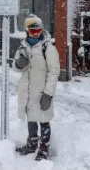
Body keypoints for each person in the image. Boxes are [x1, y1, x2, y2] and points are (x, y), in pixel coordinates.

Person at [14, 14, 60, 161]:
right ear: (27, 31)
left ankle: (44, 148)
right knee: (31, 118)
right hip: (27, 91)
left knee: (44, 120)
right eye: (33, 31)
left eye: (38, 30)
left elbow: (54, 71)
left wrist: (48, 94)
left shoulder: (48, 48)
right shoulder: (23, 47)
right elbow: (15, 67)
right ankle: (32, 144)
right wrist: (18, 64)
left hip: (42, 92)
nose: (36, 34)